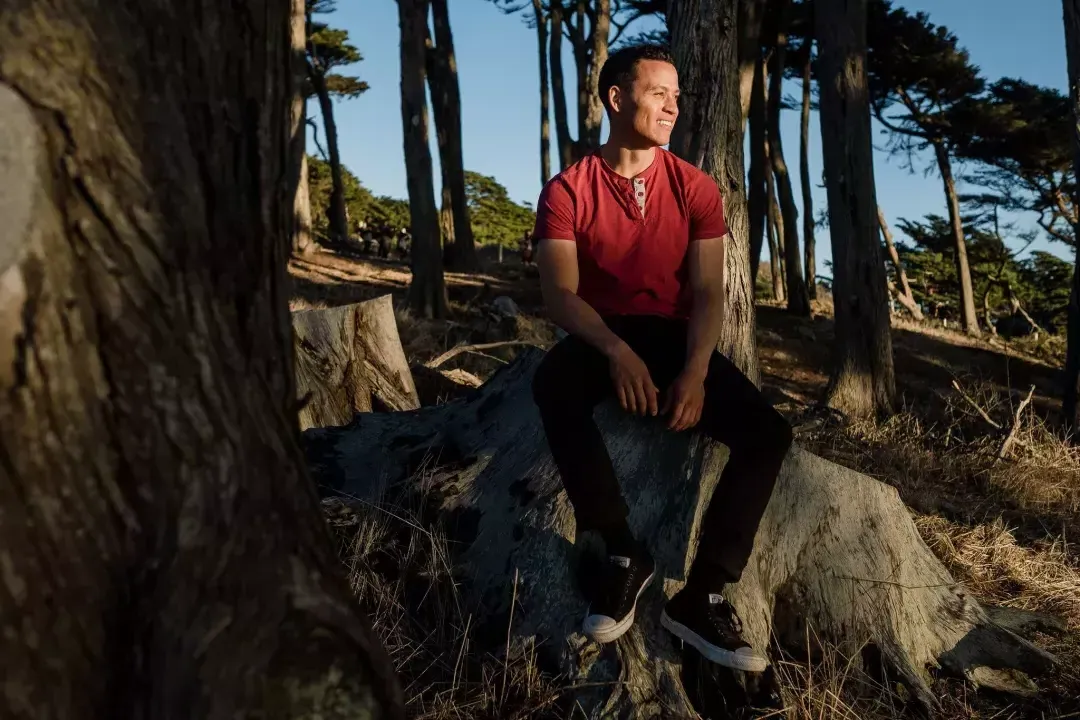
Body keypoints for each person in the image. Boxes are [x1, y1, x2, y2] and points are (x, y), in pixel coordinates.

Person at [530, 43, 793, 673]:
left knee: (768, 434)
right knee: (552, 385)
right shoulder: (568, 189)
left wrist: (697, 371)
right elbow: (559, 296)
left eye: (677, 96)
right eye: (659, 94)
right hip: (603, 332)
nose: (673, 107)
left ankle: (701, 597)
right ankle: (623, 550)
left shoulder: (697, 188)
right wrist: (616, 352)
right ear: (618, 99)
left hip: (678, 337)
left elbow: (708, 293)